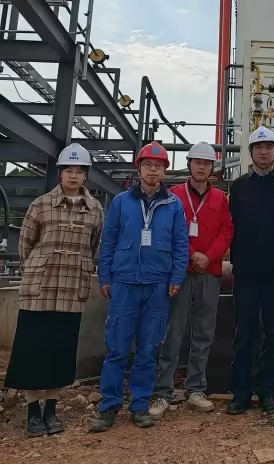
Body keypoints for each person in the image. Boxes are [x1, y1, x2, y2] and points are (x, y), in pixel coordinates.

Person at [89, 141, 188, 433]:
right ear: (139, 169)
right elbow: (108, 241)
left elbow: (180, 244)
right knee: (117, 348)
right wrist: (105, 277)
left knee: (148, 349)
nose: (153, 170)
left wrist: (176, 278)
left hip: (158, 284)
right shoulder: (121, 202)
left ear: (165, 170)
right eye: (148, 165)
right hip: (125, 283)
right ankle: (109, 406)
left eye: (158, 166)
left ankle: (140, 405)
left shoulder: (173, 205)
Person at [4, 144, 103, 437]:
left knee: (60, 350)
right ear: (60, 173)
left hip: (71, 289)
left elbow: (95, 246)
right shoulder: (41, 205)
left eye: (79, 171)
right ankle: (33, 411)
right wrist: (40, 266)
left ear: (86, 175)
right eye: (68, 170)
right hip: (40, 289)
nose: (74, 176)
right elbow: (25, 244)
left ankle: (51, 408)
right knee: (32, 349)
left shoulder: (95, 209)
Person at [150, 141, 233, 418]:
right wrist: (190, 255)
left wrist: (208, 256)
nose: (201, 167)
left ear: (212, 168)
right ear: (189, 164)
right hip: (180, 273)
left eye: (206, 163)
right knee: (173, 332)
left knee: (203, 333)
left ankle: (196, 388)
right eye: (197, 162)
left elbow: (226, 231)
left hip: (209, 272)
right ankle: (163, 392)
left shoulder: (220, 198)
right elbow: (166, 230)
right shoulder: (173, 195)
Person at [227, 126, 274, 415]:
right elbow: (232, 227)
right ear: (251, 152)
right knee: (244, 333)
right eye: (259, 147)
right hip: (246, 272)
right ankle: (241, 392)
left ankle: (267, 390)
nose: (264, 152)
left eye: (268, 147)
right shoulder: (239, 187)